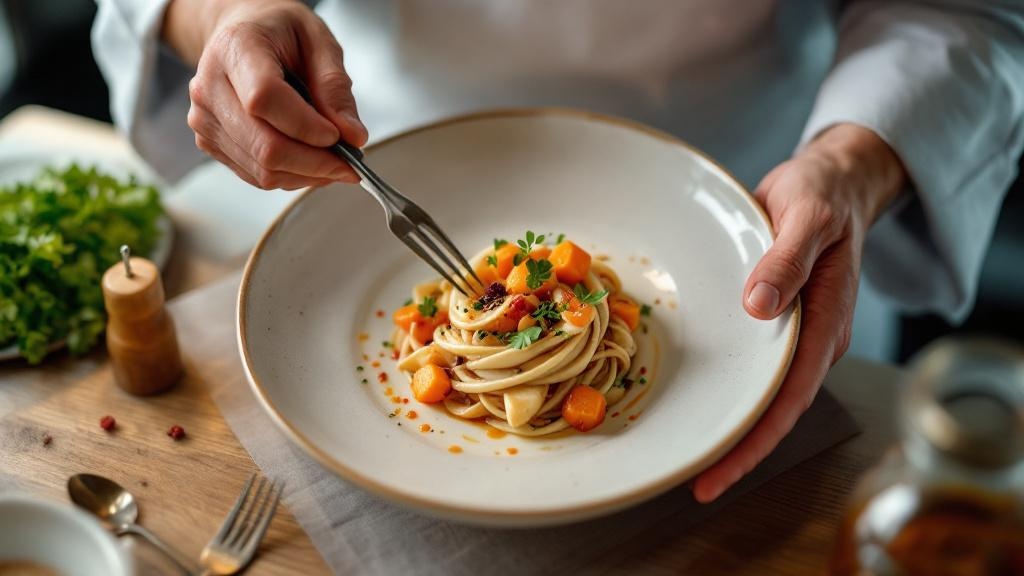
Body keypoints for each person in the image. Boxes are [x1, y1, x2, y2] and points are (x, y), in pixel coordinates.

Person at [92, 0, 1024, 503]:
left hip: (760, 206)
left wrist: (850, 167)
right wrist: (223, 16)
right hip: (363, 146)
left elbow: (967, 15)